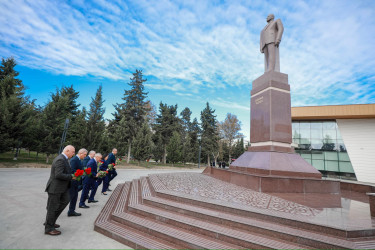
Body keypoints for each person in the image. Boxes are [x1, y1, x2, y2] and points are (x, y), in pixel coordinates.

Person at [44, 145, 76, 236]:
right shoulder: (60, 159)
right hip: (55, 188)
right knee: (52, 208)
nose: (74, 154)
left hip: (62, 188)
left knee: (65, 201)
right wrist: (71, 177)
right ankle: (49, 228)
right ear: (67, 151)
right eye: (73, 152)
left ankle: (51, 221)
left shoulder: (64, 159)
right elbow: (58, 174)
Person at [67, 148, 87, 217]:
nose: (85, 156)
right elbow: (72, 170)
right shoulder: (74, 159)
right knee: (70, 197)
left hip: (76, 181)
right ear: (81, 153)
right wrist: (80, 173)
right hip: (73, 181)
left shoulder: (78, 159)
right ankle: (68, 211)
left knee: (74, 197)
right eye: (84, 154)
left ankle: (71, 211)